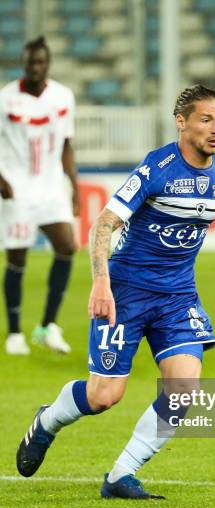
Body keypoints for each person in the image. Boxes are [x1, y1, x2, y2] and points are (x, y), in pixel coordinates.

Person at [16, 84, 215, 499]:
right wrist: (102, 283)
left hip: (178, 297)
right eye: (206, 119)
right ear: (181, 122)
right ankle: (49, 420)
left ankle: (120, 476)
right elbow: (104, 223)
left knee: (183, 392)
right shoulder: (157, 167)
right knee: (104, 395)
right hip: (126, 290)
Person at [0, 36, 79, 355]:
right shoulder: (6, 98)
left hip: (50, 186)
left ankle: (47, 326)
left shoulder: (62, 97)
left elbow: (66, 145)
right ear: (24, 63)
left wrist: (73, 184)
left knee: (67, 246)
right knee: (17, 257)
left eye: (41, 62)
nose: (36, 67)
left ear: (48, 63)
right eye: (31, 62)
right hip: (16, 187)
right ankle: (15, 333)